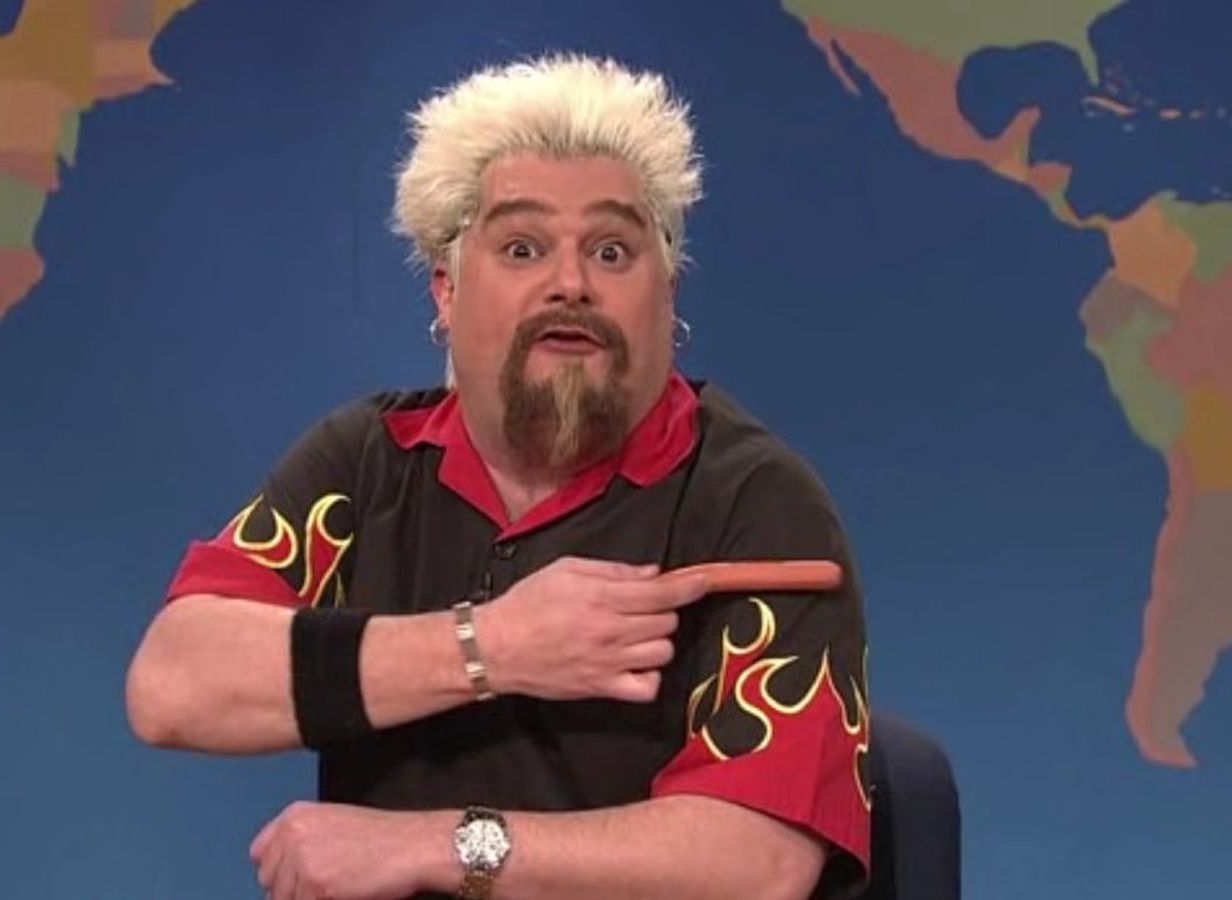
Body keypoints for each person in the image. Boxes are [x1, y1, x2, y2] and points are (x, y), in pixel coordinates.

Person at [126, 54, 872, 900]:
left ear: (667, 296)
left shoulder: (756, 503)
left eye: (612, 251)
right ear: (446, 291)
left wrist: (442, 845)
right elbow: (174, 683)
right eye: (522, 247)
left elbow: (760, 865)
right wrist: (490, 646)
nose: (571, 284)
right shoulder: (366, 463)